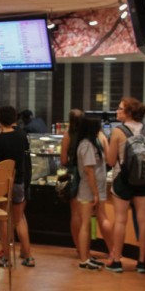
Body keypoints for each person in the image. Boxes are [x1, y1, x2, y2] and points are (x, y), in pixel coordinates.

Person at [105, 97, 145, 273]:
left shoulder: (118, 132)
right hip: (143, 181)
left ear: (128, 113)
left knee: (120, 219)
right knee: (143, 220)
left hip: (123, 180)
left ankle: (117, 260)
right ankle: (142, 262)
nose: (117, 111)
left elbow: (111, 161)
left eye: (120, 109)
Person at [0, 105, 35, 267]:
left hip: (2, 185)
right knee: (19, 218)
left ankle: (6, 257)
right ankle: (28, 256)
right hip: (19, 182)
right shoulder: (22, 136)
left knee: (3, 220)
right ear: (14, 119)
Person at [74, 116, 118, 270]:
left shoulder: (87, 144)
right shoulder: (93, 143)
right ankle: (91, 256)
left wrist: (95, 193)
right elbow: (91, 169)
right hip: (94, 187)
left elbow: (88, 170)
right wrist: (96, 192)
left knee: (85, 223)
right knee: (98, 218)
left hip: (89, 188)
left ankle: (85, 257)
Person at [60, 109, 84, 256]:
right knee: (85, 214)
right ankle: (86, 245)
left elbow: (63, 160)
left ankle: (79, 247)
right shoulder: (88, 135)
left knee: (75, 213)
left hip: (74, 175)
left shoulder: (68, 135)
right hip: (87, 175)